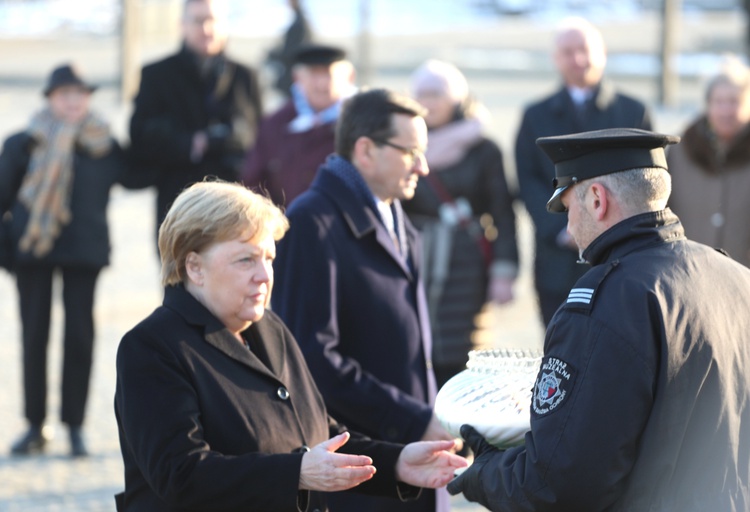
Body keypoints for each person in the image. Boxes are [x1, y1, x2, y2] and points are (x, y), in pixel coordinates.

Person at [113, 180, 466, 511]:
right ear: (194, 267)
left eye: (268, 257)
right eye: (245, 260)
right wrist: (296, 472)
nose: (265, 274)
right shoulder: (151, 348)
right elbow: (180, 475)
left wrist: (397, 462)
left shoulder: (268, 328)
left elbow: (320, 435)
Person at [446, 128, 750, 511]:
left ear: (596, 199)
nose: (569, 227)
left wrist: (486, 469)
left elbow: (560, 484)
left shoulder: (610, 300)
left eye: (568, 207)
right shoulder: (737, 278)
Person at [271, 89, 457, 512]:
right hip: (360, 476)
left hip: (412, 459)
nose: (424, 166)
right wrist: (413, 419)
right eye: (411, 151)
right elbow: (312, 360)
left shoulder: (398, 219)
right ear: (366, 150)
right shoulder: (312, 223)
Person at [0, 64, 144, 457]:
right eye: (65, 94)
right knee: (34, 337)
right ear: (49, 98)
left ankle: (75, 426)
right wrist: (7, 252)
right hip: (33, 253)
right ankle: (34, 426)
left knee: (79, 339)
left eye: (81, 93)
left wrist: (151, 126)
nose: (73, 101)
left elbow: (137, 175)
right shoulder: (22, 143)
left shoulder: (105, 145)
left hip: (85, 254)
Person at [515, 16, 652, 327]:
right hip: (556, 257)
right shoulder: (535, 116)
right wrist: (563, 229)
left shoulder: (632, 111)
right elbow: (528, 179)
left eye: (584, 49)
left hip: (620, 254)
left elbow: (647, 176)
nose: (577, 59)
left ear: (601, 54)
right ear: (555, 58)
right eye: (567, 51)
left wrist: (611, 225)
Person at [403, 59, 519, 388]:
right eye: (421, 94)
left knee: (467, 352)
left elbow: (503, 213)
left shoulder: (483, 150)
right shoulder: (403, 147)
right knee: (415, 346)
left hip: (468, 264)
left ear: (457, 98)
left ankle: (466, 431)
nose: (428, 102)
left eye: (437, 94)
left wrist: (504, 272)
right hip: (416, 256)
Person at [128, 0, 262, 241]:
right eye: (199, 21)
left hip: (235, 204)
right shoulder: (156, 74)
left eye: (214, 21)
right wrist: (191, 143)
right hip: (177, 201)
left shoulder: (245, 76)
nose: (207, 28)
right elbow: (139, 136)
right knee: (179, 276)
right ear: (182, 25)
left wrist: (231, 138)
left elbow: (262, 137)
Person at [243, 43, 356, 207]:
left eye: (328, 74)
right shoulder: (275, 124)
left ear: (350, 77)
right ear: (297, 78)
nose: (321, 84)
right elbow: (253, 181)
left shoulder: (363, 124)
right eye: (313, 75)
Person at [667, 56, 750, 267]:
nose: (726, 111)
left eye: (734, 102)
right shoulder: (682, 151)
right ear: (708, 104)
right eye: (719, 102)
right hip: (690, 271)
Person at [266, 0, 313, 99]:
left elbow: (296, 50)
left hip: (293, 73)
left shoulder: (300, 23)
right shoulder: (299, 21)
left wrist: (275, 54)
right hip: (292, 71)